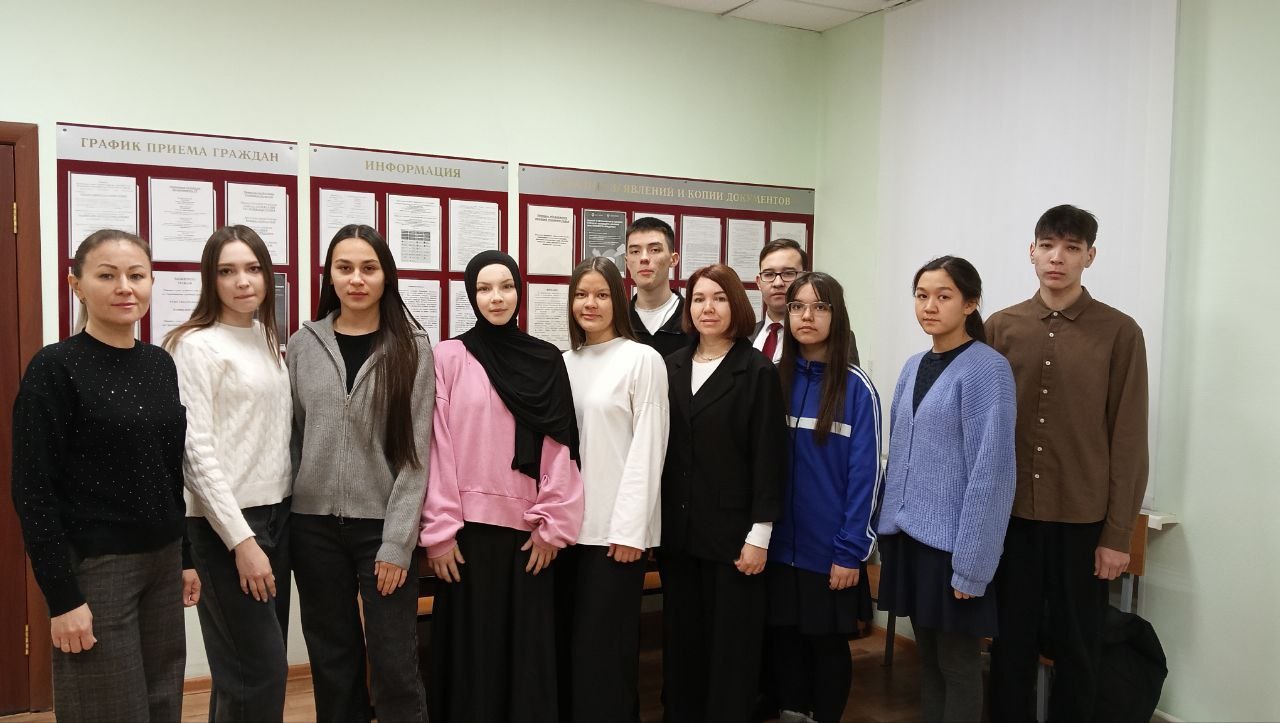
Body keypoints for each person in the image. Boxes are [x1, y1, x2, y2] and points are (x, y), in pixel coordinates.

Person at [12, 229, 200, 722]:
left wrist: (184, 555)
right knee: (107, 708)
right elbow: (33, 492)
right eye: (107, 275)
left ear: (151, 282)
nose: (124, 287)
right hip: (97, 568)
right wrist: (62, 599)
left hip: (162, 562)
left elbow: (168, 470)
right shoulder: (55, 368)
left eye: (136, 275)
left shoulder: (159, 364)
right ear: (76, 284)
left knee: (163, 704)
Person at [986, 205, 1149, 721]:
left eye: (1072, 248)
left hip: (1083, 521)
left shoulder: (1120, 333)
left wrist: (1117, 534)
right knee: (1009, 645)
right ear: (1031, 252)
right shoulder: (1000, 327)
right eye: (1048, 245)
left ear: (1089, 257)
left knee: (1078, 650)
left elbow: (1128, 437)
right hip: (1011, 517)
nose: (1057, 258)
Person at [422, 250, 584, 723]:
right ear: (472, 295)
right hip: (465, 536)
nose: (497, 298)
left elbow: (561, 446)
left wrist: (553, 525)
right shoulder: (448, 357)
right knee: (473, 654)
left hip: (530, 536)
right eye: (485, 288)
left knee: (525, 656)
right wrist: (439, 533)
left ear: (519, 292)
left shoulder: (545, 359)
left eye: (507, 286)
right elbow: (437, 447)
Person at [288, 224, 432, 722]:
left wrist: (397, 542)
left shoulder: (412, 346)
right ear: (329, 275)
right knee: (333, 662)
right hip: (313, 529)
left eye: (368, 268)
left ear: (386, 276)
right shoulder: (303, 344)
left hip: (382, 529)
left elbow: (416, 454)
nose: (356, 279)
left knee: (394, 664)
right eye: (344, 268)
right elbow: (296, 438)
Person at [877, 256, 1017, 722]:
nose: (929, 307)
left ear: (970, 303)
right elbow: (901, 452)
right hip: (910, 539)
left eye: (943, 296)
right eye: (921, 296)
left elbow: (992, 473)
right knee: (929, 660)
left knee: (957, 665)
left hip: (954, 548)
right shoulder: (913, 365)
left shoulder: (987, 370)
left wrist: (972, 565)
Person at [163, 225, 292, 721]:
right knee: (259, 672)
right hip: (228, 527)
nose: (242, 281)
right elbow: (195, 453)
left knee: (243, 673)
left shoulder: (266, 337)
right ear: (210, 279)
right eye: (227, 271)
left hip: (278, 516)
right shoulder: (194, 345)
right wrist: (241, 540)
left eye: (253, 268)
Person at [660, 263, 786, 723]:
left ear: (736, 305)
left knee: (731, 651)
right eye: (698, 299)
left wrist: (760, 535)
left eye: (718, 298)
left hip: (734, 537)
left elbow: (770, 458)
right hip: (679, 534)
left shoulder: (756, 371)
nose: (707, 308)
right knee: (683, 644)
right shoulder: (671, 366)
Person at [765, 271, 882, 723]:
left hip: (830, 553)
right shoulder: (773, 379)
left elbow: (866, 479)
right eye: (797, 307)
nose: (807, 316)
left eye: (819, 307)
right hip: (777, 548)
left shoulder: (857, 389)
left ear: (837, 315)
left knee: (826, 645)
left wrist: (851, 551)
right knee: (785, 642)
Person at [557, 257, 669, 723]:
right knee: (569, 649)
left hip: (613, 535)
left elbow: (648, 450)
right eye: (582, 295)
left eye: (602, 294)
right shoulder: (563, 363)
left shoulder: (642, 359)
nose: (591, 303)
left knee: (605, 653)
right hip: (564, 533)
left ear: (618, 301)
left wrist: (630, 531)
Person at [625, 217, 692, 356]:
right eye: (635, 251)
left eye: (655, 250)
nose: (644, 258)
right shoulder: (618, 322)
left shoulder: (693, 318)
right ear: (627, 261)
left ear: (673, 259)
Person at [751, 238, 808, 363]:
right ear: (759, 283)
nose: (778, 283)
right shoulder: (742, 337)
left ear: (804, 278)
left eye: (788, 273)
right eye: (769, 274)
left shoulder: (833, 338)